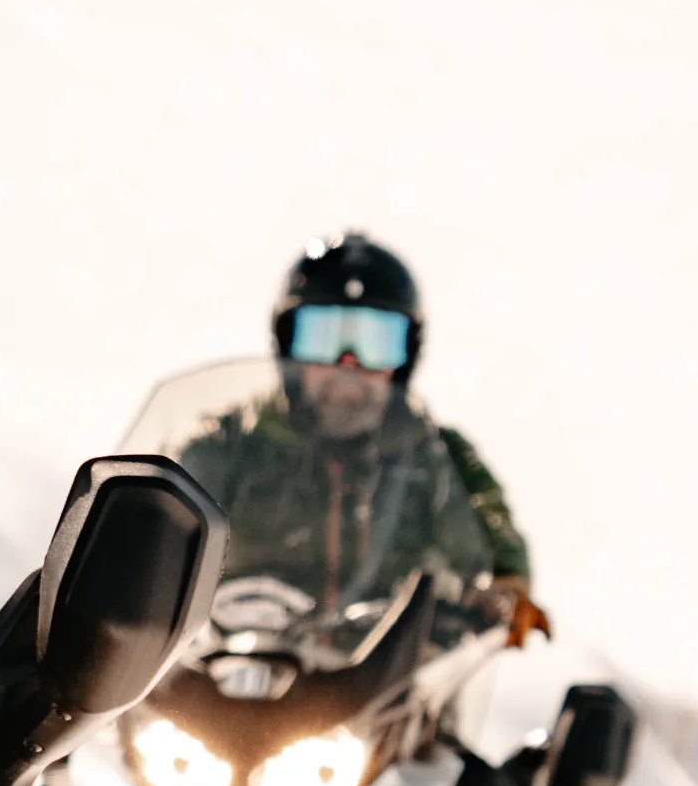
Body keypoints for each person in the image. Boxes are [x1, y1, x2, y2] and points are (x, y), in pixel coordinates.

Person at [176, 233, 535, 631]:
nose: (348, 363)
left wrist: (502, 593)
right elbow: (156, 542)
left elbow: (496, 551)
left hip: (395, 668)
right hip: (234, 659)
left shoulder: (438, 458)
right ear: (287, 345)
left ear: (404, 359)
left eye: (377, 342)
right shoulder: (224, 449)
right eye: (322, 336)